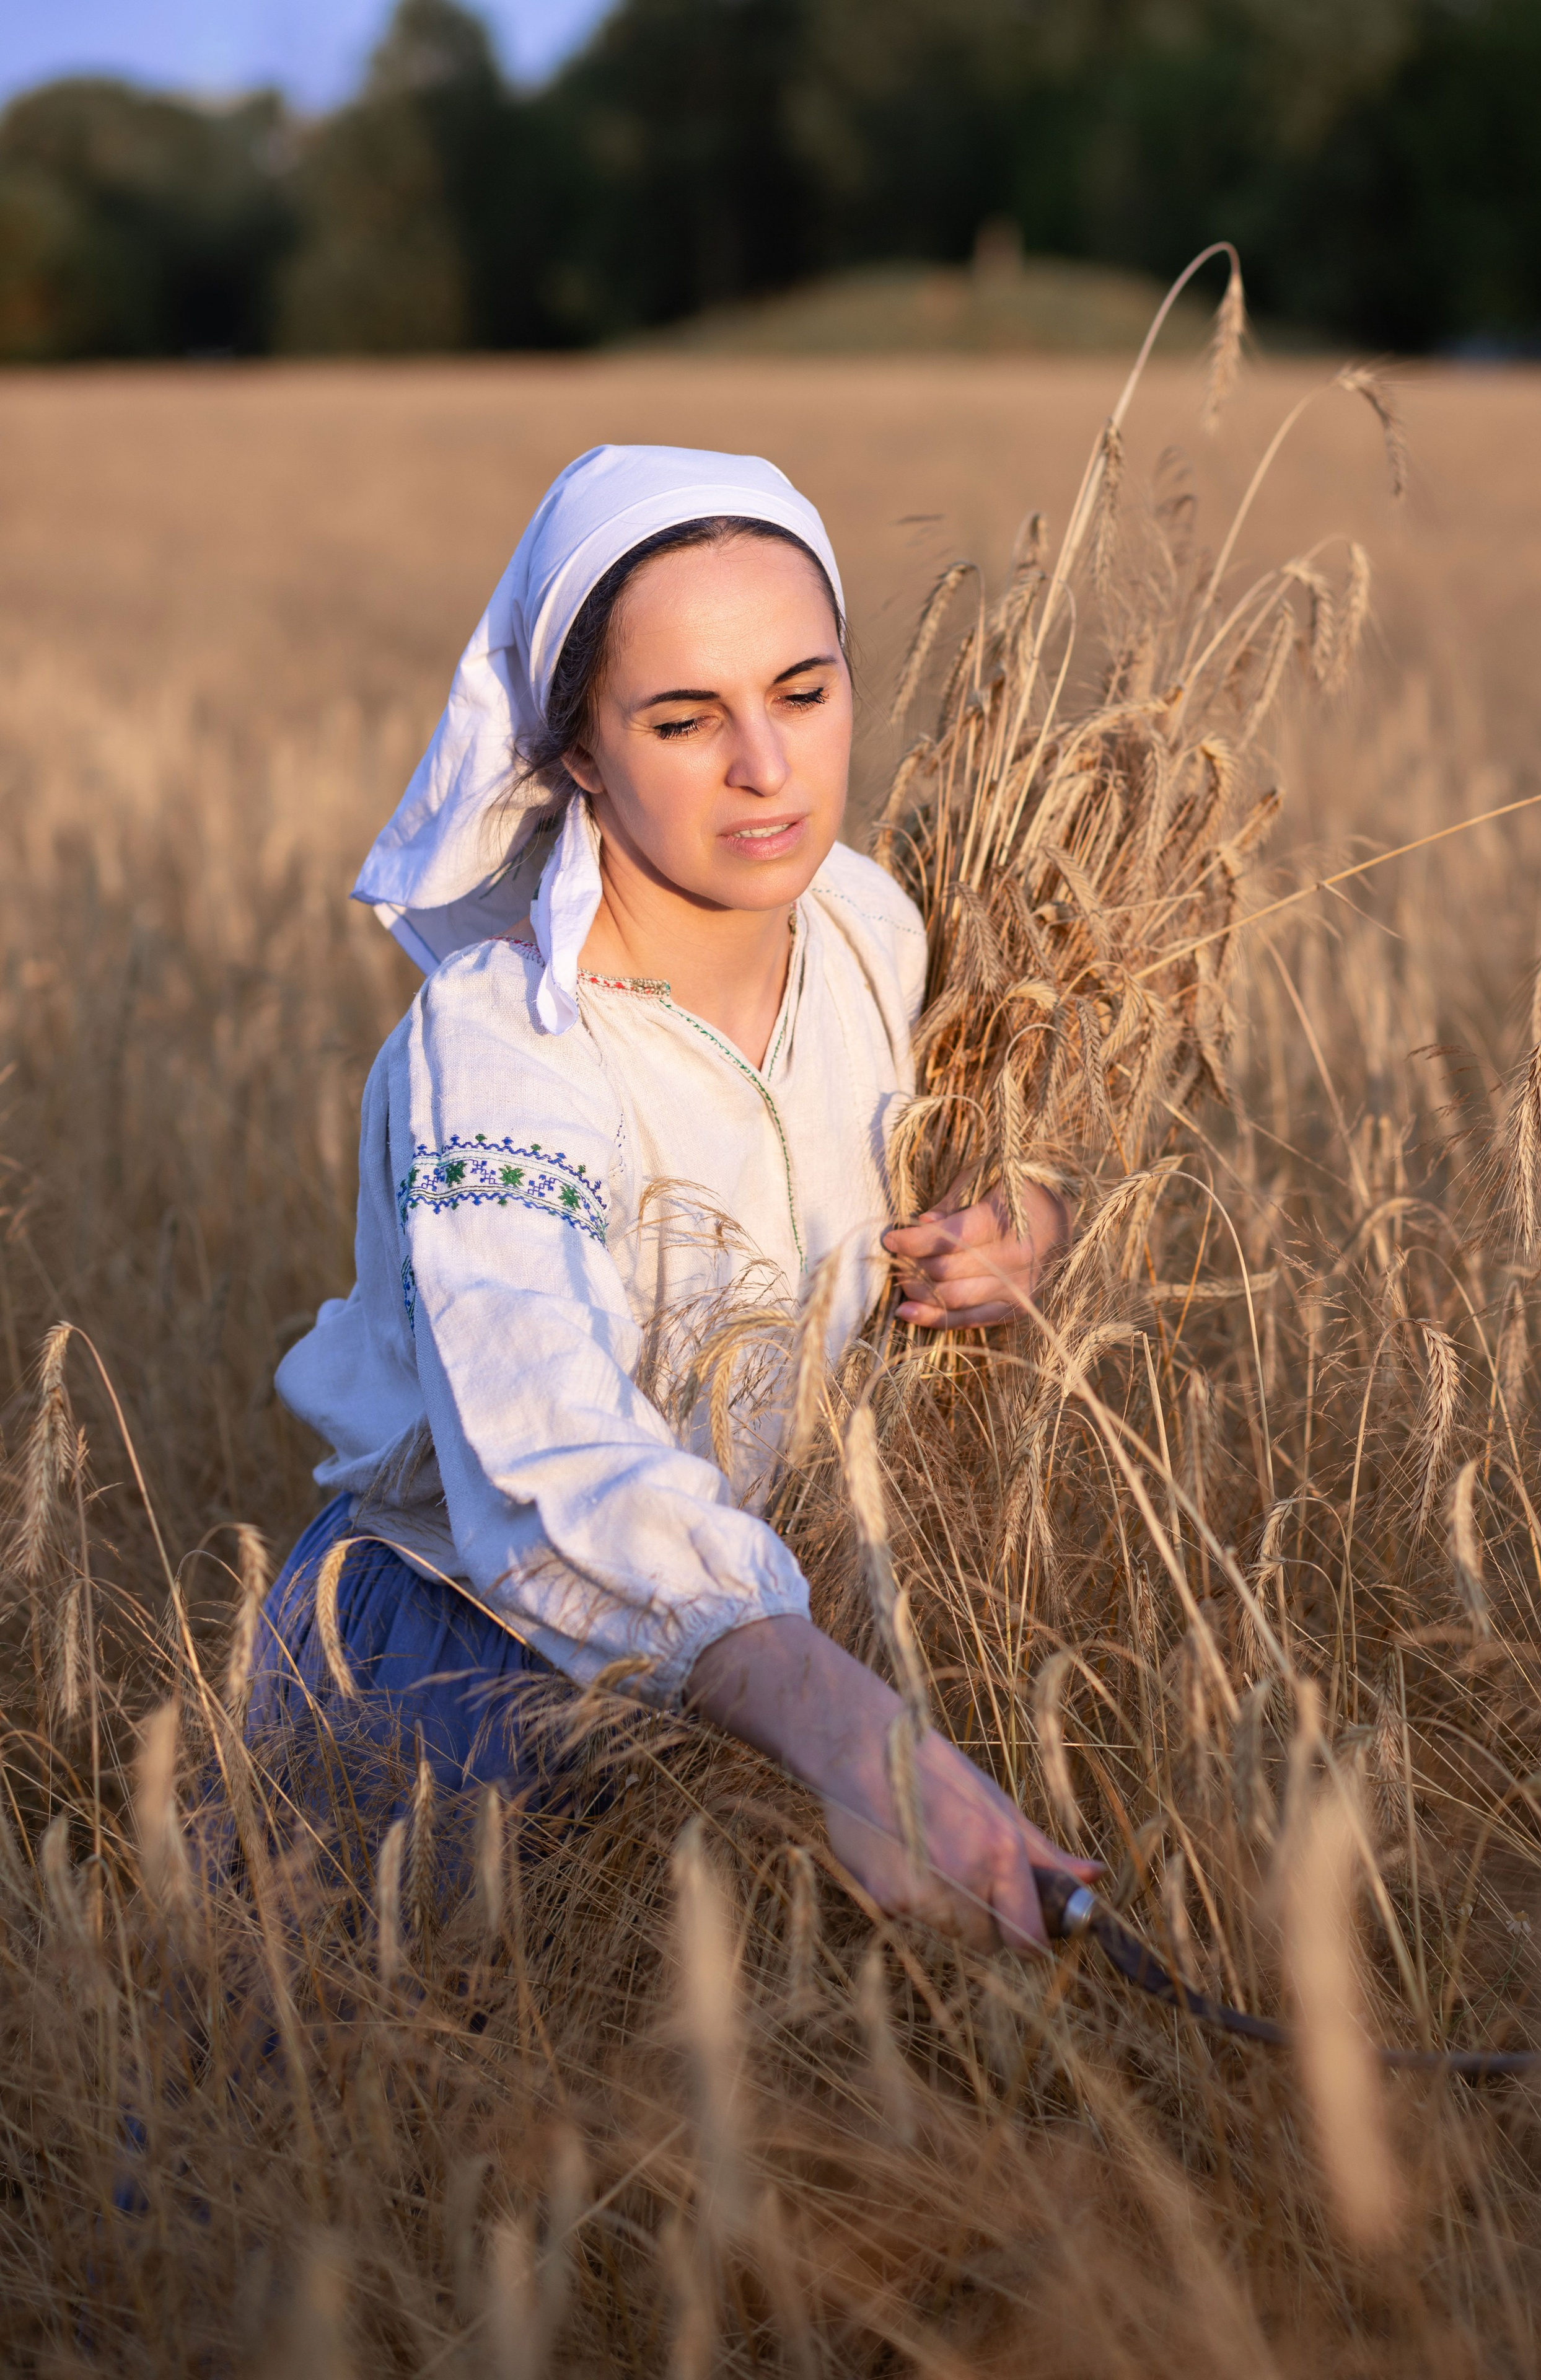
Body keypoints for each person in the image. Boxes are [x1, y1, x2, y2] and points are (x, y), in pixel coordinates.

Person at [257, 444, 1098, 1953]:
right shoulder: (505, 1047)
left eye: (803, 688)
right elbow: (548, 1458)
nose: (768, 770)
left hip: (744, 1662)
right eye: (682, 718)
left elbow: (960, 1133)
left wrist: (1019, 1221)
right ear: (575, 749)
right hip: (449, 1677)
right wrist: (855, 1736)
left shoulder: (860, 922)